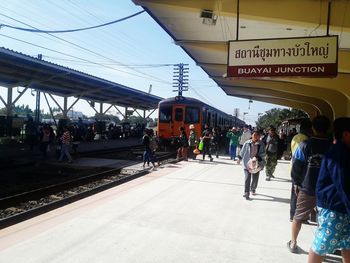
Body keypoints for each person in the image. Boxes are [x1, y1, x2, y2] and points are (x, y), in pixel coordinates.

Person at [308, 117, 350, 263]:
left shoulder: (345, 150)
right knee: (321, 244)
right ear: (346, 134)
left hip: (344, 207)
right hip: (333, 208)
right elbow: (343, 184)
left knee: (348, 244)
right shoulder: (338, 153)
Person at [287, 115, 332, 253]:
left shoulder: (305, 145)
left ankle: (293, 243)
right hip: (327, 190)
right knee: (323, 220)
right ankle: (321, 246)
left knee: (298, 217)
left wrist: (296, 183)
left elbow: (296, 167)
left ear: (313, 128)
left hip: (307, 188)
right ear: (329, 129)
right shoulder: (333, 146)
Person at [289, 118, 312, 221]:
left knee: (294, 192)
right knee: (298, 193)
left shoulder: (295, 137)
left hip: (293, 166)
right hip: (300, 168)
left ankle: (293, 215)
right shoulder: (304, 139)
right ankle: (296, 215)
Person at [237, 129, 266, 200]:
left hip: (256, 164)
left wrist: (257, 157)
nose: (256, 136)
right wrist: (239, 158)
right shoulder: (247, 143)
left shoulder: (261, 144)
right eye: (254, 135)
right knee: (247, 178)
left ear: (259, 136)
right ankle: (246, 192)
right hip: (247, 163)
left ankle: (253, 188)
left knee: (255, 178)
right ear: (252, 135)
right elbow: (242, 151)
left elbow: (263, 153)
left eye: (257, 135)